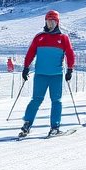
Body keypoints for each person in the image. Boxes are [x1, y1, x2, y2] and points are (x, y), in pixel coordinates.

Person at [18, 10, 75, 138]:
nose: (50, 24)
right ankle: (27, 124)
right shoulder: (39, 37)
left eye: (53, 21)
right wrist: (26, 67)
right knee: (36, 100)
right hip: (40, 75)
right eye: (48, 21)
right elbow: (31, 53)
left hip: (56, 75)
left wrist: (70, 69)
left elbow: (70, 54)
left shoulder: (63, 38)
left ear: (57, 22)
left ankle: (54, 127)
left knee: (56, 101)